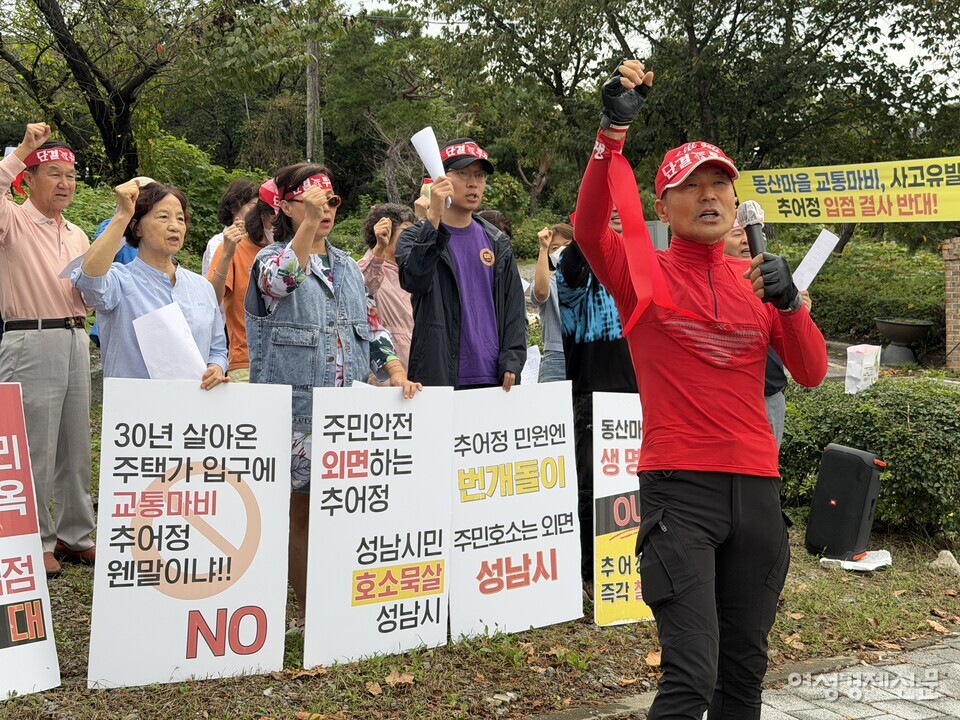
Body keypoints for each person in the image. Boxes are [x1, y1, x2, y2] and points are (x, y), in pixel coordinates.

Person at [574, 61, 827, 719]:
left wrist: (793, 300)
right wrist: (611, 135)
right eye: (693, 186)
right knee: (689, 678)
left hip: (758, 494)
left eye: (721, 183)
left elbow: (812, 371)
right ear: (664, 206)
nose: (711, 195)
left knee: (742, 682)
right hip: (679, 495)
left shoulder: (759, 283)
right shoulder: (643, 272)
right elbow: (589, 226)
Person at [244, 163, 420, 622]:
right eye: (310, 203)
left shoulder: (346, 265)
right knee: (299, 516)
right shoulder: (270, 258)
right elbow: (281, 280)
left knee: (343, 515)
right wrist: (305, 228)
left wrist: (396, 372)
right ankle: (308, 612)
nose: (323, 212)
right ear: (283, 206)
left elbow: (372, 327)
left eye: (330, 202)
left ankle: (342, 605)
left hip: (349, 415)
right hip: (297, 416)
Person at [0, 123, 96, 578]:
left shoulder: (77, 232)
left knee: (75, 444)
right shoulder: (12, 219)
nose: (64, 183)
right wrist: (22, 150)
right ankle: (34, 540)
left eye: (71, 176)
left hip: (76, 336)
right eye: (53, 173)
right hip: (30, 336)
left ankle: (75, 535)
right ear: (29, 179)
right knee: (33, 445)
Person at [396, 138, 526, 390]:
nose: (472, 183)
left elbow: (514, 308)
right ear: (441, 179)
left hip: (493, 378)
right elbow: (414, 279)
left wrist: (512, 358)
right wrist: (432, 218)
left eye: (479, 175)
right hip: (439, 375)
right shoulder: (414, 236)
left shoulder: (497, 241)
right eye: (463, 173)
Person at [73, 180, 228, 388]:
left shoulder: (202, 287)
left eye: (180, 219)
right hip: (135, 413)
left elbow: (217, 349)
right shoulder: (119, 281)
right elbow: (89, 282)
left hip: (193, 409)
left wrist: (216, 368)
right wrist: (122, 216)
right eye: (163, 217)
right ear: (137, 228)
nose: (175, 226)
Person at [556, 212, 638, 588]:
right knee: (591, 485)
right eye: (607, 211)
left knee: (635, 486)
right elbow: (574, 264)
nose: (616, 214)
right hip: (593, 394)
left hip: (639, 394)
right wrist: (593, 227)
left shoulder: (635, 265)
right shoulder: (575, 269)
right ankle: (589, 572)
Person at [723, 222, 812, 445]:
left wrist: (796, 315)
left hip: (770, 394)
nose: (746, 240)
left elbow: (803, 362)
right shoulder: (714, 285)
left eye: (752, 234)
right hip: (729, 400)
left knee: (765, 469)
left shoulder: (774, 283)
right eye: (736, 234)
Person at [206, 179, 279, 382]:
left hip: (290, 359)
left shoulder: (293, 252)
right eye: (269, 211)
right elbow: (210, 299)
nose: (275, 218)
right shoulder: (230, 246)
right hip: (246, 361)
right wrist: (226, 255)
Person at [357, 203, 416, 378]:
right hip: (385, 371)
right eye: (406, 233)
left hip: (416, 368)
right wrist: (379, 247)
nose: (413, 238)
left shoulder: (414, 273)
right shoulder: (373, 266)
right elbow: (361, 283)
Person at [531, 223, 573, 383]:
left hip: (589, 356)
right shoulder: (550, 282)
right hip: (556, 358)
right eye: (554, 248)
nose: (562, 251)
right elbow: (541, 293)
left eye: (568, 245)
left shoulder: (593, 281)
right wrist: (543, 248)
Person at [201, 179, 258, 277]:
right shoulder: (218, 242)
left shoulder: (260, 242)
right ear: (234, 208)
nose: (257, 214)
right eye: (253, 208)